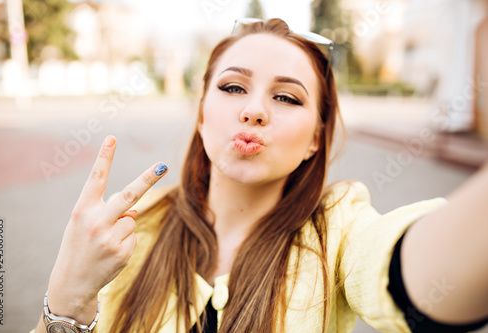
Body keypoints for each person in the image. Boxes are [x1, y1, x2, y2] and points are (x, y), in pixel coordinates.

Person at [32, 18, 488, 333]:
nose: (253, 110)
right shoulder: (128, 233)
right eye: (233, 88)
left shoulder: (340, 229)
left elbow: (422, 281)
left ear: (315, 137)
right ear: (202, 115)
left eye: (287, 98)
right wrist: (66, 299)